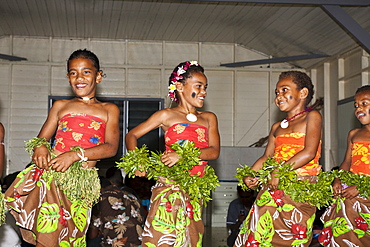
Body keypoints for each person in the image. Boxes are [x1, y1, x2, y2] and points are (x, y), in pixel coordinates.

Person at [4, 49, 120, 247]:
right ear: (68, 77)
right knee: (47, 236)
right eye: (73, 72)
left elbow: (111, 148)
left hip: (80, 183)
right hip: (51, 177)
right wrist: (40, 148)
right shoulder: (60, 105)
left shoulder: (109, 109)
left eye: (86, 72)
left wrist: (75, 155)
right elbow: (41, 139)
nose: (79, 78)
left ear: (98, 76)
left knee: (71, 238)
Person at [125, 61, 220, 246]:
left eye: (205, 87)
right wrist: (137, 162)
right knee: (161, 239)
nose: (204, 92)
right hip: (169, 186)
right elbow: (132, 135)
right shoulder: (166, 115)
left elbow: (214, 151)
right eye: (198, 86)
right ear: (179, 87)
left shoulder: (209, 118)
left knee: (190, 240)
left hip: (194, 190)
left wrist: (183, 156)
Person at [235, 71, 322, 247]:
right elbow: (267, 156)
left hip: (301, 186)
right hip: (273, 185)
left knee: (292, 236)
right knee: (261, 232)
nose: (278, 96)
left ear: (303, 93)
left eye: (284, 90)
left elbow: (309, 152)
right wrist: (250, 174)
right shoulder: (277, 127)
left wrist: (280, 170)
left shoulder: (312, 117)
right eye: (276, 92)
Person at [318, 85, 370, 246]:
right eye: (356, 105)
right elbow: (347, 162)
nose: (358, 109)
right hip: (352, 192)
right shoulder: (354, 134)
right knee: (344, 220)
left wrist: (362, 188)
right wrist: (338, 180)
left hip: (365, 192)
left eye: (364, 103)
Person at [92, 167, 144, 247]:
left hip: (117, 244)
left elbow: (93, 234)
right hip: (139, 242)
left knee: (93, 241)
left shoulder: (100, 199)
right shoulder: (131, 196)